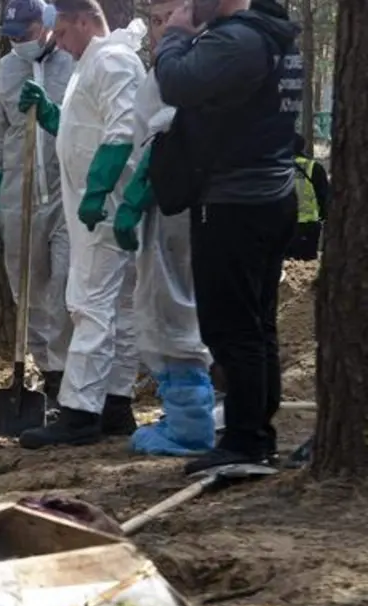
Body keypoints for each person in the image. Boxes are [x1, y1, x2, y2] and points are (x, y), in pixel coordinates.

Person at [152, 0, 303, 473]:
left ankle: (246, 440)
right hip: (270, 194)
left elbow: (175, 82)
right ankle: (254, 430)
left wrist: (174, 36)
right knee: (257, 325)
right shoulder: (271, 33)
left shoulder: (237, 40)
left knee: (231, 326)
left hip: (234, 202)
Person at [15, 0, 145, 449]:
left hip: (103, 209)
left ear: (87, 21)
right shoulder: (93, 64)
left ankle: (80, 411)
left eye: (66, 33)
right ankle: (115, 403)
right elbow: (85, 128)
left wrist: (98, 190)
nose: (60, 45)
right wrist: (52, 116)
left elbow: (122, 130)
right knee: (118, 309)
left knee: (88, 305)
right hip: (102, 207)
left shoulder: (111, 60)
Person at [110, 0, 216, 457]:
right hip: (169, 203)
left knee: (173, 302)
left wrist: (137, 192)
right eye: (154, 20)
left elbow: (167, 135)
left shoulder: (192, 68)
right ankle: (182, 408)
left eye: (170, 18)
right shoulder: (169, 69)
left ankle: (191, 421)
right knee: (163, 298)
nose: (160, 29)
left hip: (177, 201)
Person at [0, 0, 74, 406]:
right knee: (29, 293)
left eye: (25, 32)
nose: (18, 41)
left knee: (67, 289)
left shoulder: (72, 63)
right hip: (18, 197)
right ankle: (50, 379)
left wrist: (54, 114)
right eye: (12, 34)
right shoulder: (4, 71)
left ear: (45, 23)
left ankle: (74, 376)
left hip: (67, 194)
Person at [288, 133, 329, 261]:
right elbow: (324, 196)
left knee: (286, 265)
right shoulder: (314, 168)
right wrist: (324, 215)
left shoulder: (278, 168)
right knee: (307, 265)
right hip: (308, 225)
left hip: (283, 225)